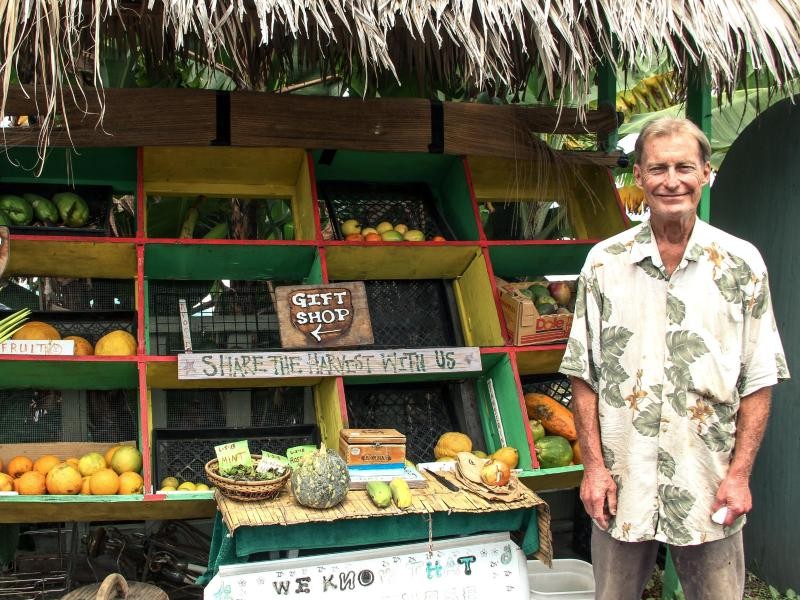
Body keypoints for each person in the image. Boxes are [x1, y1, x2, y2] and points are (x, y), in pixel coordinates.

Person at [559, 116, 789, 599]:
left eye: (684, 166)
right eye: (657, 168)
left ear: (706, 172)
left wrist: (740, 476)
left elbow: (760, 378)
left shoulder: (741, 263)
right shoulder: (605, 262)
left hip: (707, 477)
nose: (671, 181)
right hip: (624, 479)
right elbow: (584, 373)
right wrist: (594, 468)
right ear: (638, 176)